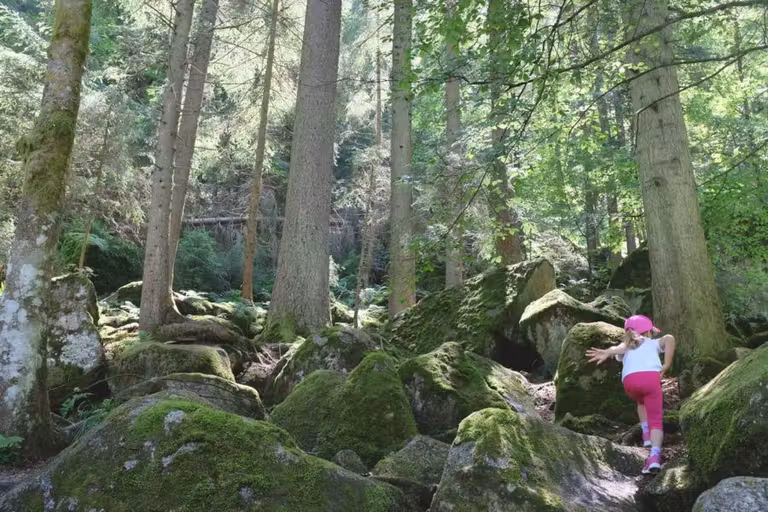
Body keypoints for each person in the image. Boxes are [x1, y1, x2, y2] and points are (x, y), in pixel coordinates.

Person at [585, 314, 676, 474]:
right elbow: (669, 338)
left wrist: (607, 352)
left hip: (630, 383)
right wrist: (666, 365)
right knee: (656, 419)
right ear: (648, 332)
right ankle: (654, 456)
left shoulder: (627, 345)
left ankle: (645, 434)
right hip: (650, 379)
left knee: (641, 403)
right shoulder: (652, 343)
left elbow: (617, 349)